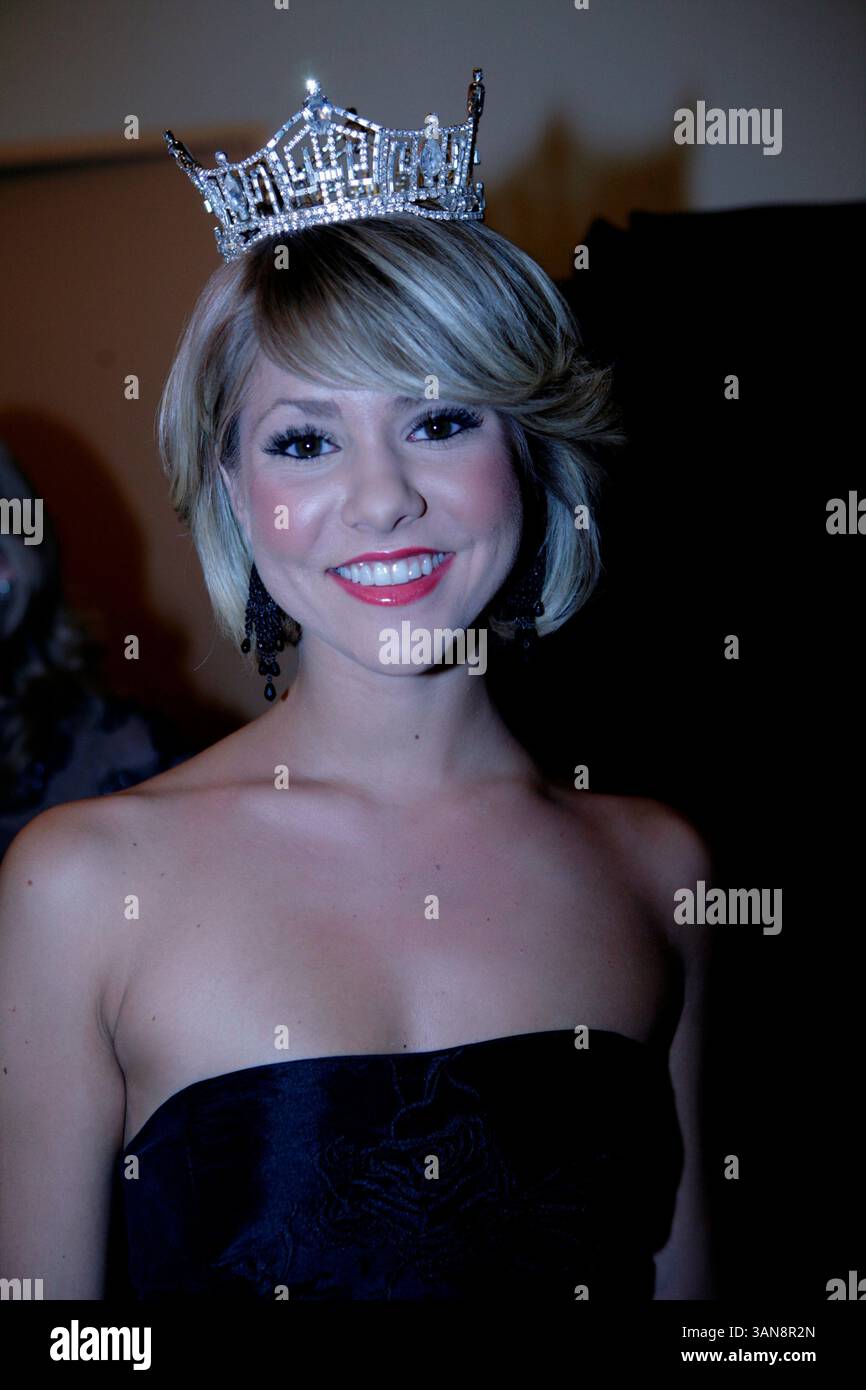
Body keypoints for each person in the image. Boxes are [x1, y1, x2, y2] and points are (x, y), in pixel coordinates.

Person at [0, 70, 716, 1301]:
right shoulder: (81, 885)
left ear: (527, 451)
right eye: (304, 439)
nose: (381, 497)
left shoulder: (661, 869)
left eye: (439, 421)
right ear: (233, 487)